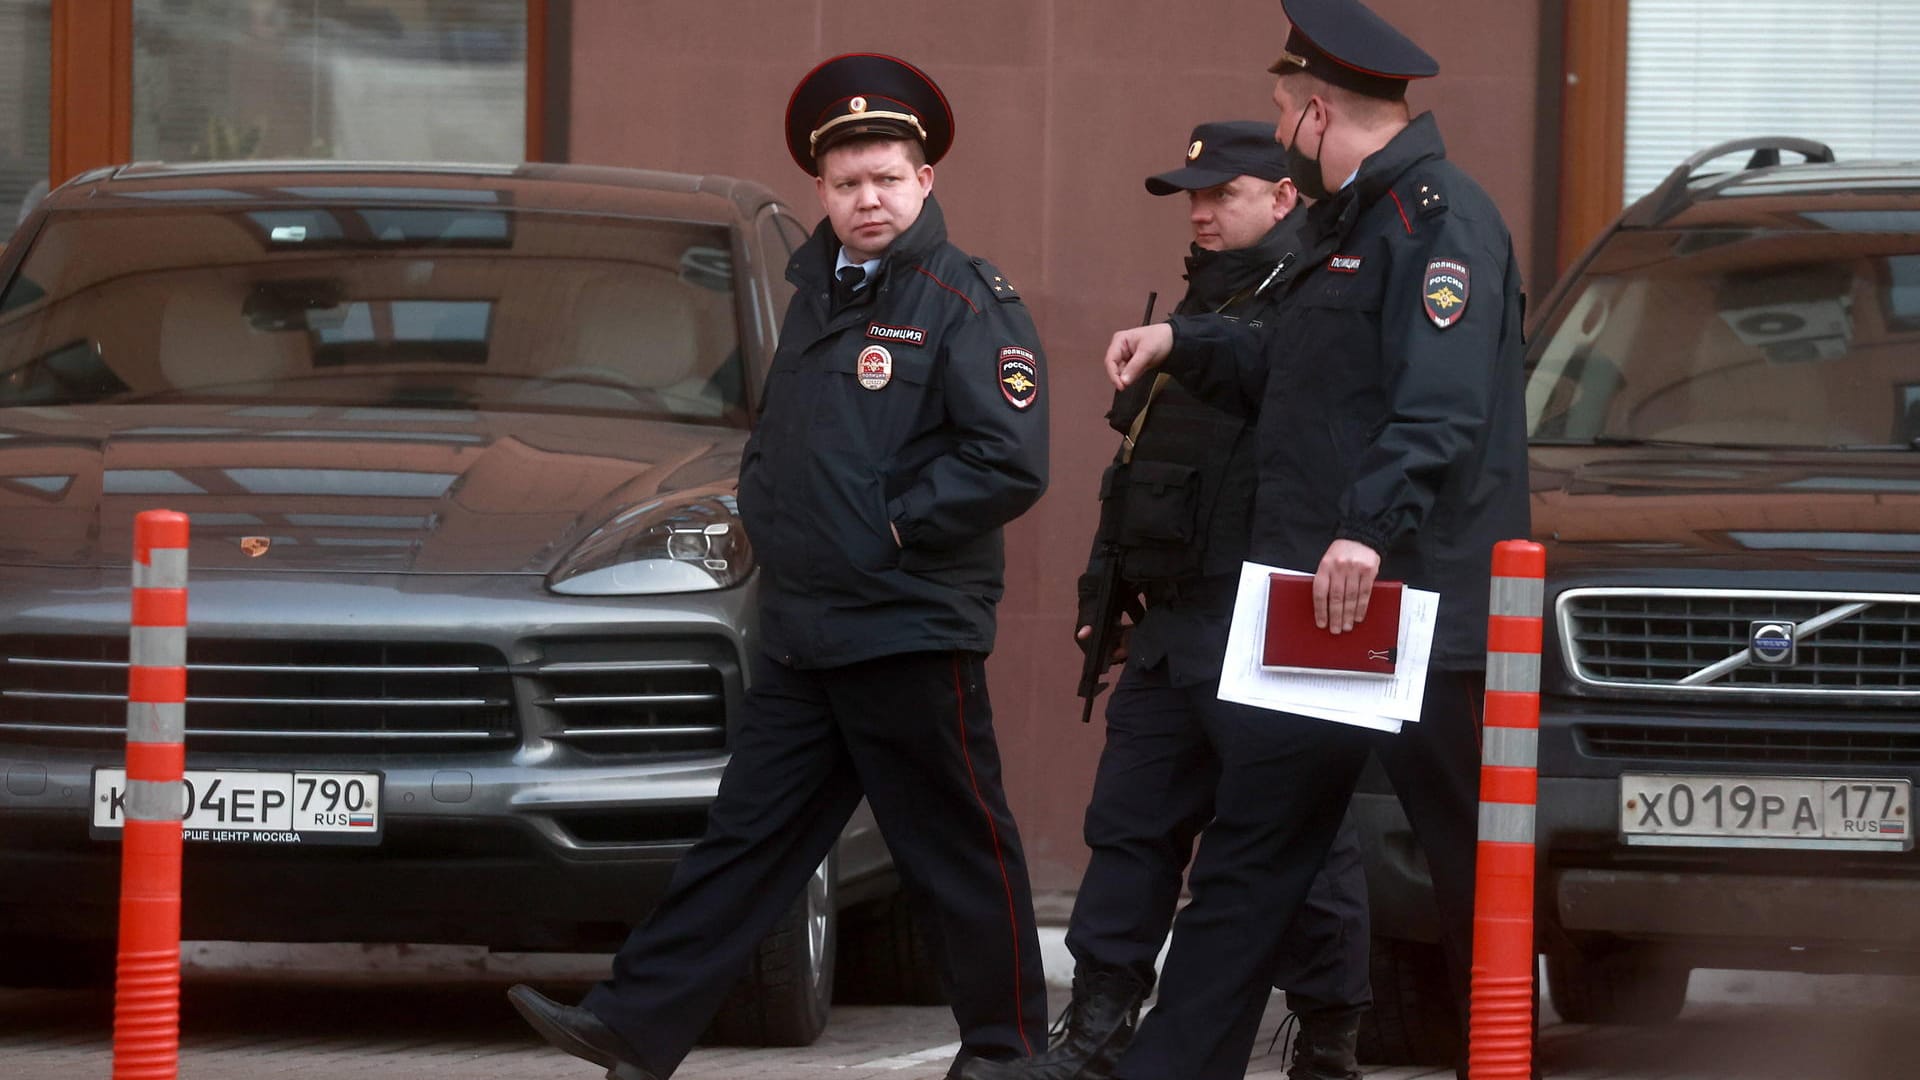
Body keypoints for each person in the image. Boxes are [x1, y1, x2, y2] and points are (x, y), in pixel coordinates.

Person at [506, 52, 1051, 1080]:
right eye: (847, 184)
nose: (868, 199)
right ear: (822, 192)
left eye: (887, 177)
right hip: (807, 628)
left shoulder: (964, 297)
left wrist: (883, 531)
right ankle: (635, 1025)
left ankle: (1012, 1054)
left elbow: (1009, 461)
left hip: (906, 623)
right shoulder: (816, 291)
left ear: (925, 179)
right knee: (746, 842)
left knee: (957, 852)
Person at [1094, 0, 1531, 1077]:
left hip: (1416, 602)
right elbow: (1283, 373)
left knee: (1470, 865)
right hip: (1318, 598)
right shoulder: (1341, 229)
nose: (1282, 128)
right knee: (1253, 854)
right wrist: (1179, 342)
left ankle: (1503, 1061)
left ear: (1319, 111)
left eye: (1285, 113)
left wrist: (1369, 531)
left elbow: (1439, 406)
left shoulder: (1441, 225)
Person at [969, 122, 1370, 1080]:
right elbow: (1143, 466)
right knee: (1130, 823)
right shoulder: (1194, 303)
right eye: (1190, 195)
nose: (1198, 210)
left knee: (1300, 845)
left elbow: (1295, 397)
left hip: (1285, 616)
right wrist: (1102, 594)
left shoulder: (1323, 295)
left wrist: (1188, 339)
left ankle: (1328, 1037)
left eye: (1220, 193)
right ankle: (1099, 1030)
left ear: (1281, 197)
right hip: (1176, 619)